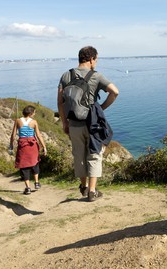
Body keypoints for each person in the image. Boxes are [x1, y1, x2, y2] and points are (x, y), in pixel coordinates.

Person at [57, 46, 119, 202]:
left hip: (73, 123)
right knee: (94, 154)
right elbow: (115, 92)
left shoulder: (66, 75)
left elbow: (60, 101)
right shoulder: (96, 76)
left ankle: (83, 187)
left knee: (79, 155)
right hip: (92, 123)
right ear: (91, 59)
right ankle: (92, 191)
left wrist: (65, 123)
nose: (96, 62)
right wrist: (102, 108)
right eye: (96, 59)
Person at [10, 105, 47, 195]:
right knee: (35, 163)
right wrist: (44, 147)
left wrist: (11, 145)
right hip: (32, 145)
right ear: (31, 113)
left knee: (24, 166)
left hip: (22, 145)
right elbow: (38, 135)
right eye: (34, 112)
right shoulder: (34, 122)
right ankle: (37, 183)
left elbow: (13, 135)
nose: (35, 113)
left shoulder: (18, 121)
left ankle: (28, 188)